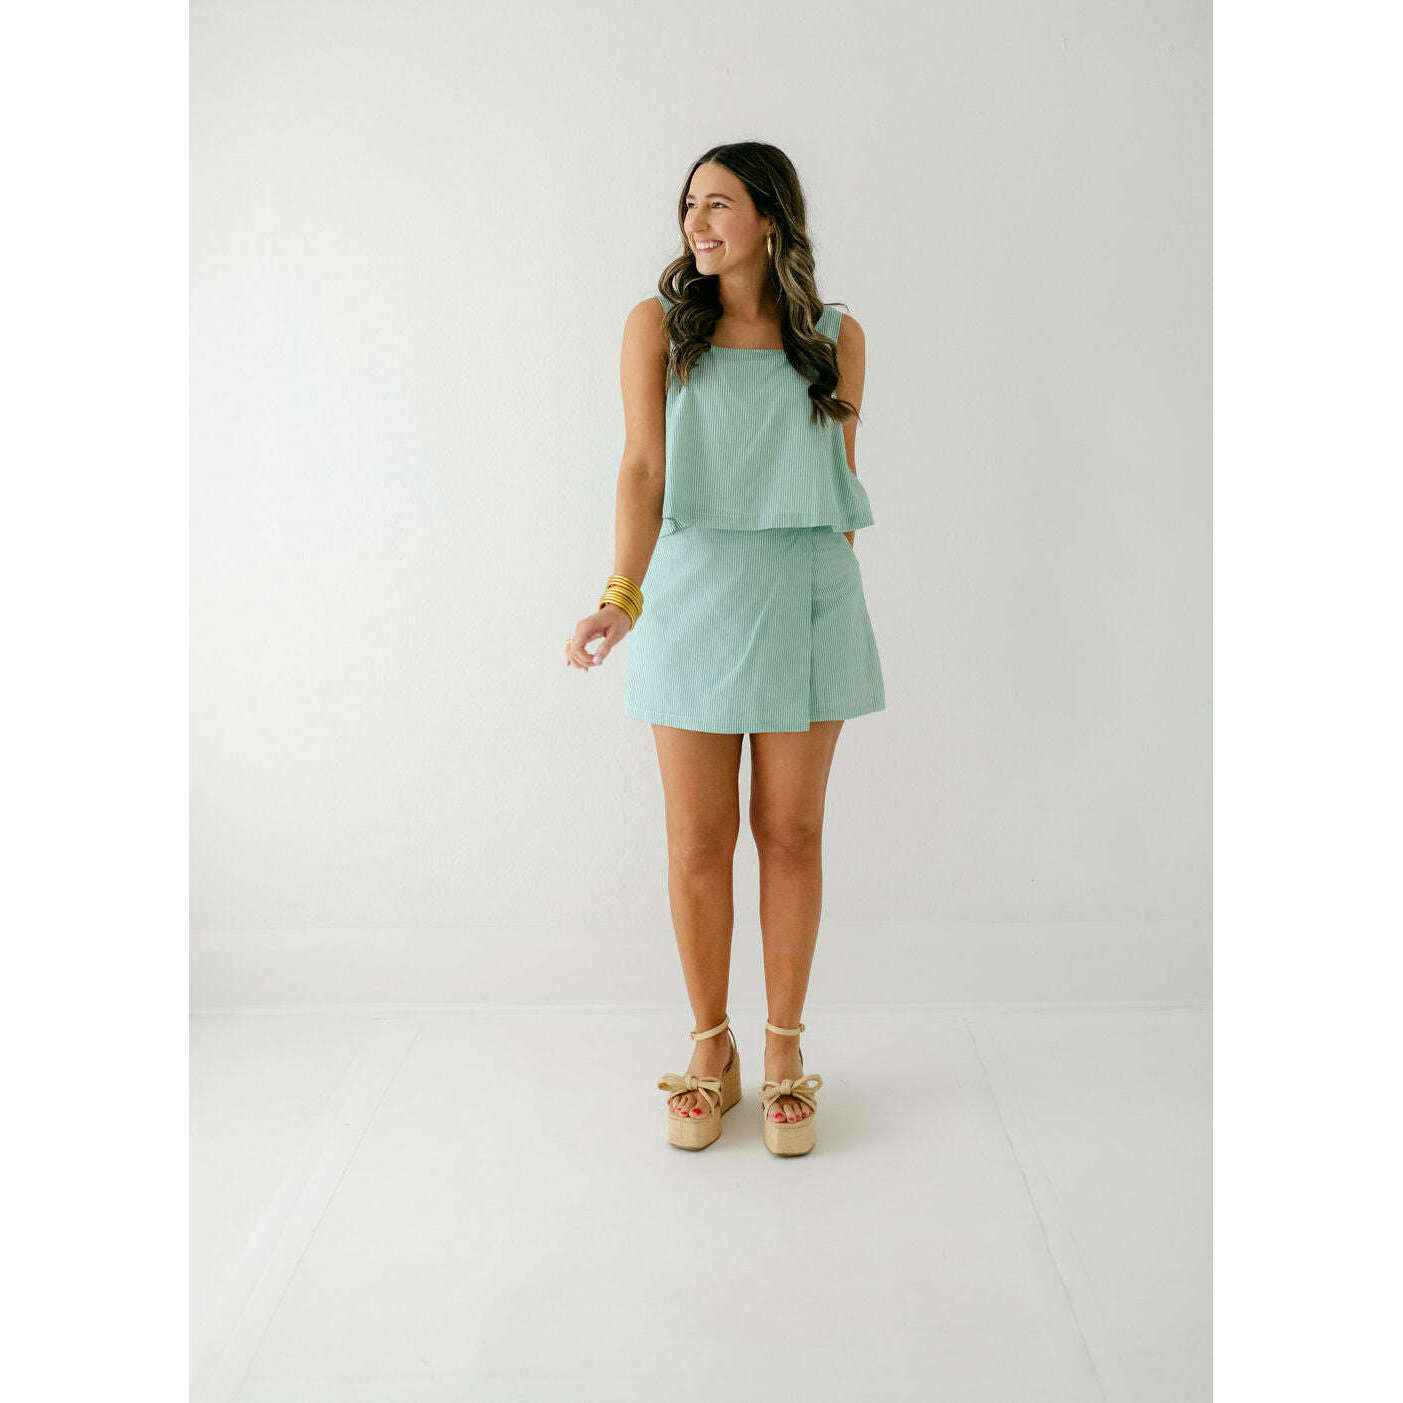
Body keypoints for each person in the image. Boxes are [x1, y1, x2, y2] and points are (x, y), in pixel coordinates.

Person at [564, 142, 885, 1156]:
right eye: (689, 205)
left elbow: (834, 482)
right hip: (693, 595)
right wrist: (620, 596)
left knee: (791, 833)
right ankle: (712, 1047)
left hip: (805, 595)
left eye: (718, 203)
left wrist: (821, 595)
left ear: (770, 219)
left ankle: (783, 1049)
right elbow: (642, 468)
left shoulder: (835, 337)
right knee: (698, 840)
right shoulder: (656, 328)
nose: (696, 223)